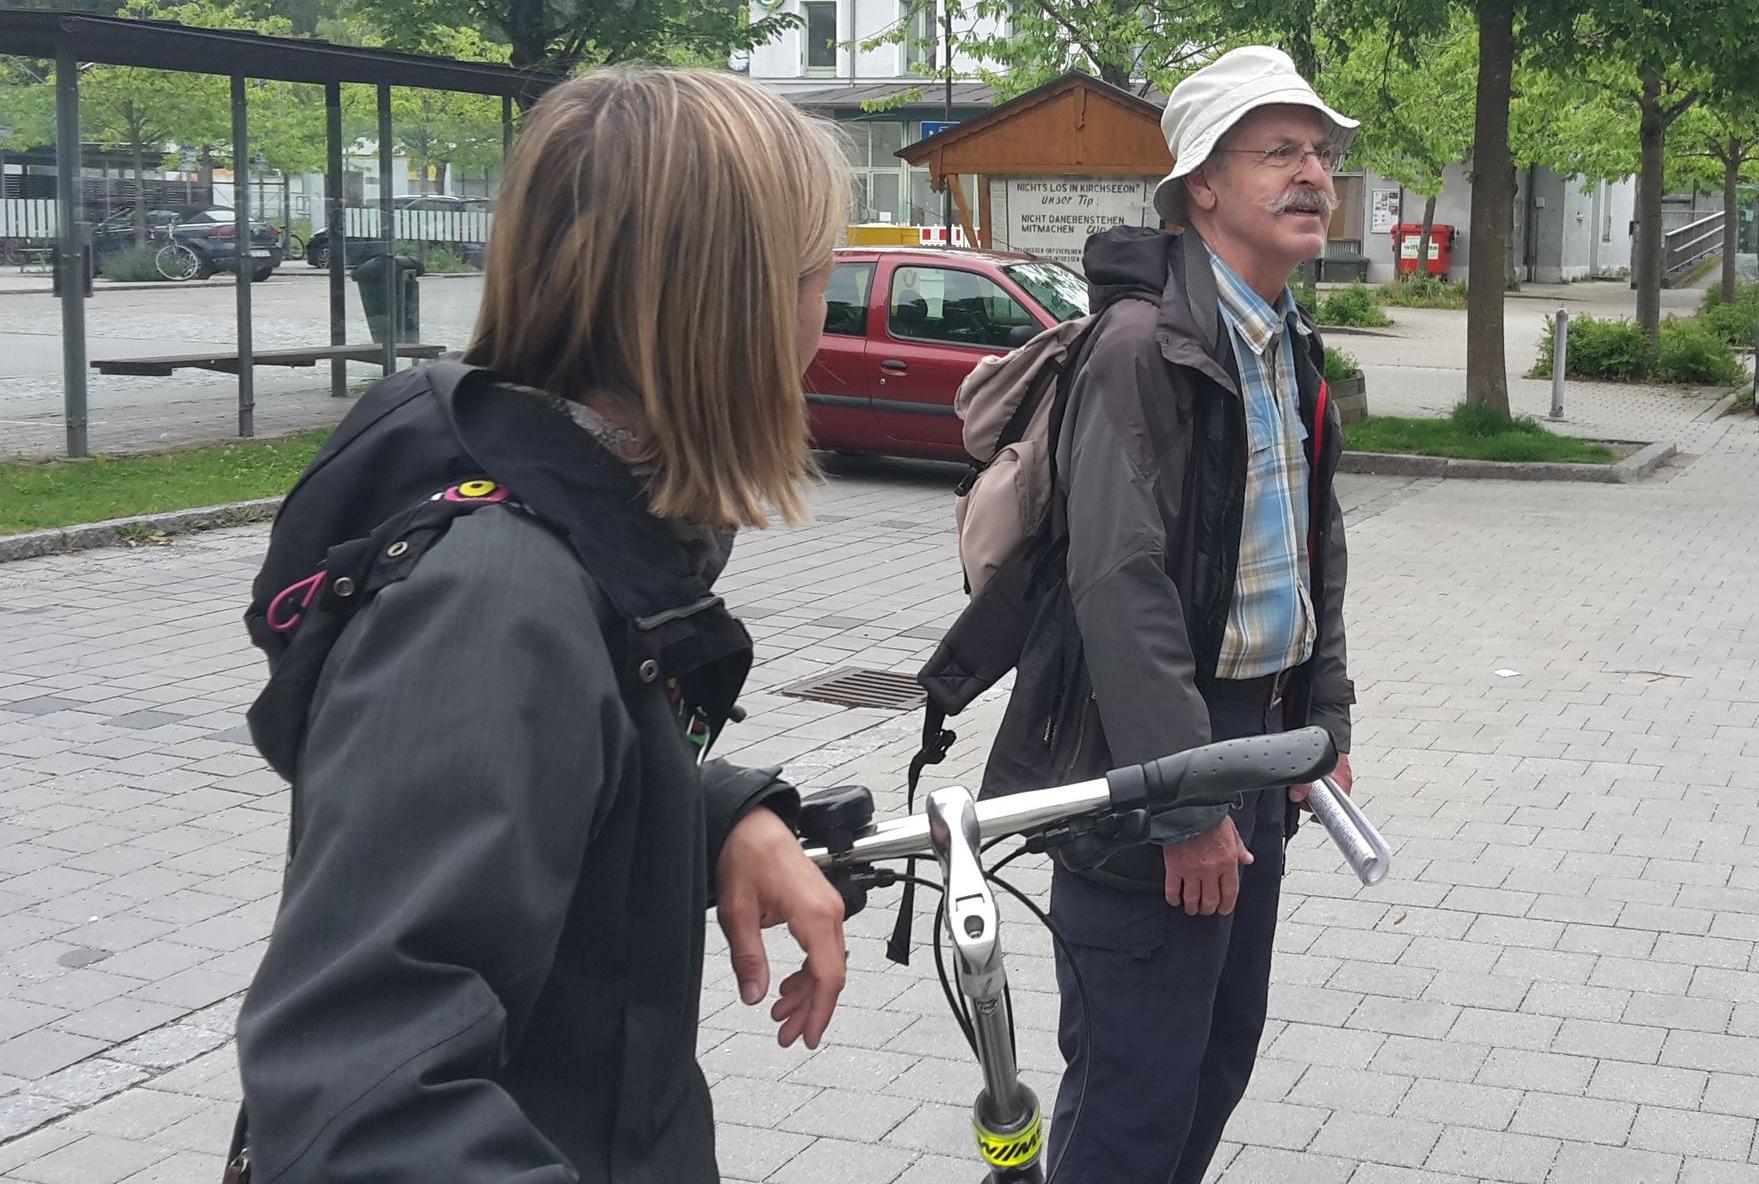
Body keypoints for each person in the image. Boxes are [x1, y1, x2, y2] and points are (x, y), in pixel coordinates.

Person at [233, 69, 852, 1183]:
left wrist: (709, 814)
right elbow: (361, 1099)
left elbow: (539, 776)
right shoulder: (495, 601)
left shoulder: (582, 530)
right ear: (731, 308)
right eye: (817, 276)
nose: (826, 312)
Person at [979, 46, 1360, 1182]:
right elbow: (1119, 584)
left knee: (1212, 1063)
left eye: (1321, 152)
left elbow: (1311, 542)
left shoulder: (1283, 335)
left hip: (1254, 743)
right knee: (1135, 1093)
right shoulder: (1144, 348)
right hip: (1148, 761)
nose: (1313, 175)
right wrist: (1185, 798)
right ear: (1201, 181)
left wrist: (1320, 724)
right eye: (1279, 151)